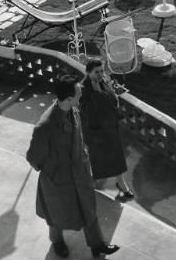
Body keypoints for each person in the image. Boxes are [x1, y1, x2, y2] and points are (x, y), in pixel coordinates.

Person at [26, 75, 119, 258]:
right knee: (56, 215)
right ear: (69, 98)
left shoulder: (73, 109)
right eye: (78, 92)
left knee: (88, 210)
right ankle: (57, 242)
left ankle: (97, 245)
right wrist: (53, 171)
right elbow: (33, 157)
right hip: (58, 181)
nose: (81, 92)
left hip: (80, 173)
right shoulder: (45, 126)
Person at [79, 60, 134, 201]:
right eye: (96, 72)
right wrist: (97, 93)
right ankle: (91, 184)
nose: (100, 74)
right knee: (98, 160)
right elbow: (88, 112)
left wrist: (110, 96)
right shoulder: (82, 89)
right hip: (96, 131)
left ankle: (121, 183)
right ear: (88, 72)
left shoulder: (105, 80)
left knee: (117, 157)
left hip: (110, 127)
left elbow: (112, 99)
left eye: (102, 71)